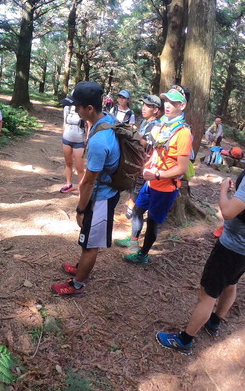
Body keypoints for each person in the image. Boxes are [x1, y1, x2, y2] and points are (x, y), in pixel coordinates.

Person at [157, 113, 245, 353]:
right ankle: (215, 322)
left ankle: (185, 340)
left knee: (207, 293)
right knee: (231, 283)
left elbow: (227, 212)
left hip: (231, 246)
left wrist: (223, 190)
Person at [51, 81, 120, 297]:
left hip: (101, 198)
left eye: (77, 106)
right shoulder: (107, 120)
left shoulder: (100, 140)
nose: (75, 110)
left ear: (89, 108)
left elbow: (89, 181)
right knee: (87, 237)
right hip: (104, 193)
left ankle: (77, 284)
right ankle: (82, 266)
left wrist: (81, 209)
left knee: (91, 244)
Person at [122, 86, 192, 264]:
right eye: (167, 100)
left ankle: (143, 255)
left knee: (153, 222)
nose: (168, 105)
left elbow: (182, 169)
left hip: (165, 187)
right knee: (137, 211)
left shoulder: (183, 133)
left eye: (173, 102)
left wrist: (157, 175)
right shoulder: (162, 124)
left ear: (182, 106)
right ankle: (133, 241)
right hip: (150, 181)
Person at [118, 94, 163, 223]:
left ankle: (131, 218)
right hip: (137, 161)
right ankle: (130, 214)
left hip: (146, 163)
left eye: (148, 106)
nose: (143, 108)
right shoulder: (145, 121)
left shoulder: (156, 125)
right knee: (133, 188)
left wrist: (131, 136)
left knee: (138, 190)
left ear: (155, 110)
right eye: (143, 105)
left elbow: (143, 144)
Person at [59, 93, 86, 193]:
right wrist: (63, 136)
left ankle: (81, 189)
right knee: (68, 163)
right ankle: (68, 183)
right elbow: (65, 122)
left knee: (80, 167)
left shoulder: (84, 109)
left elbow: (88, 125)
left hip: (79, 141)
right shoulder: (67, 108)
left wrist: (87, 139)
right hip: (67, 139)